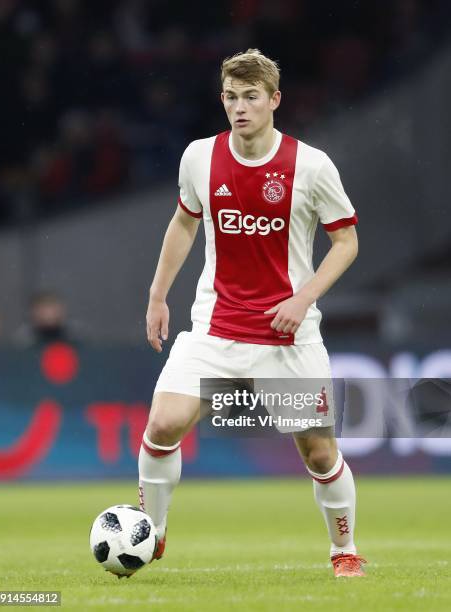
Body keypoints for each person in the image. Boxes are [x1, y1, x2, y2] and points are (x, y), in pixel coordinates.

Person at [139, 49, 366, 577]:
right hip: (214, 329)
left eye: (251, 98)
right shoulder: (199, 157)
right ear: (222, 99)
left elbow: (346, 241)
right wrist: (157, 295)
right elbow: (183, 223)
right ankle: (153, 533)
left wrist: (303, 297)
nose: (240, 108)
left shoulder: (310, 165)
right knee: (163, 423)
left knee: (318, 453)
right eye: (231, 97)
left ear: (274, 101)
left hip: (287, 336)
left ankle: (344, 549)